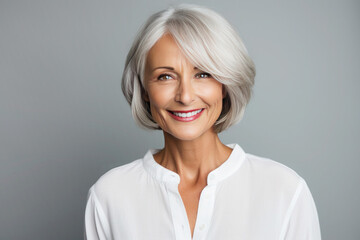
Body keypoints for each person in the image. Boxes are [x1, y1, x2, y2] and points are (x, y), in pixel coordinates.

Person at [84, 4, 321, 240]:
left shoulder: (285, 191)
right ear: (144, 89)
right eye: (165, 76)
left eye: (203, 74)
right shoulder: (109, 197)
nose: (185, 96)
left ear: (225, 85)